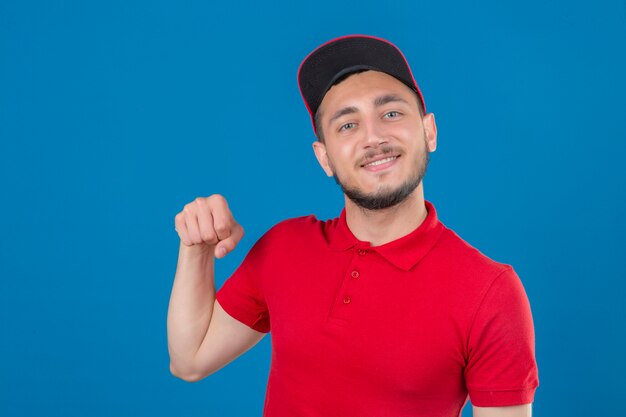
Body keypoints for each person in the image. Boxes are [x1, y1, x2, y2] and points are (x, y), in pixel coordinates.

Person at [167, 35, 539, 417]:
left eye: (391, 113)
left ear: (429, 131)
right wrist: (196, 249)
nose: (373, 137)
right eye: (347, 125)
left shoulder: (489, 292)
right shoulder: (284, 248)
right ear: (324, 158)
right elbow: (190, 359)